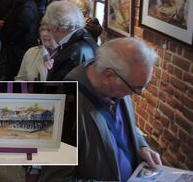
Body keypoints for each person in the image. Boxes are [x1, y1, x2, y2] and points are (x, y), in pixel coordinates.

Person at [40, 38, 161, 181]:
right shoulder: (62, 109)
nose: (139, 93)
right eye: (136, 88)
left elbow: (123, 127)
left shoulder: (123, 80)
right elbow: (55, 179)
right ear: (108, 75)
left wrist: (141, 146)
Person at [42, 0, 98, 81]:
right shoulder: (86, 38)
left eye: (49, 27)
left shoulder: (72, 53)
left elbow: (61, 89)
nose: (48, 31)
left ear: (57, 27)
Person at [2, 0, 39, 80]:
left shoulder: (27, 8)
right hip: (19, 46)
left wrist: (10, 39)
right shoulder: (22, 4)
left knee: (16, 73)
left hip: (20, 47)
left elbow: (21, 28)